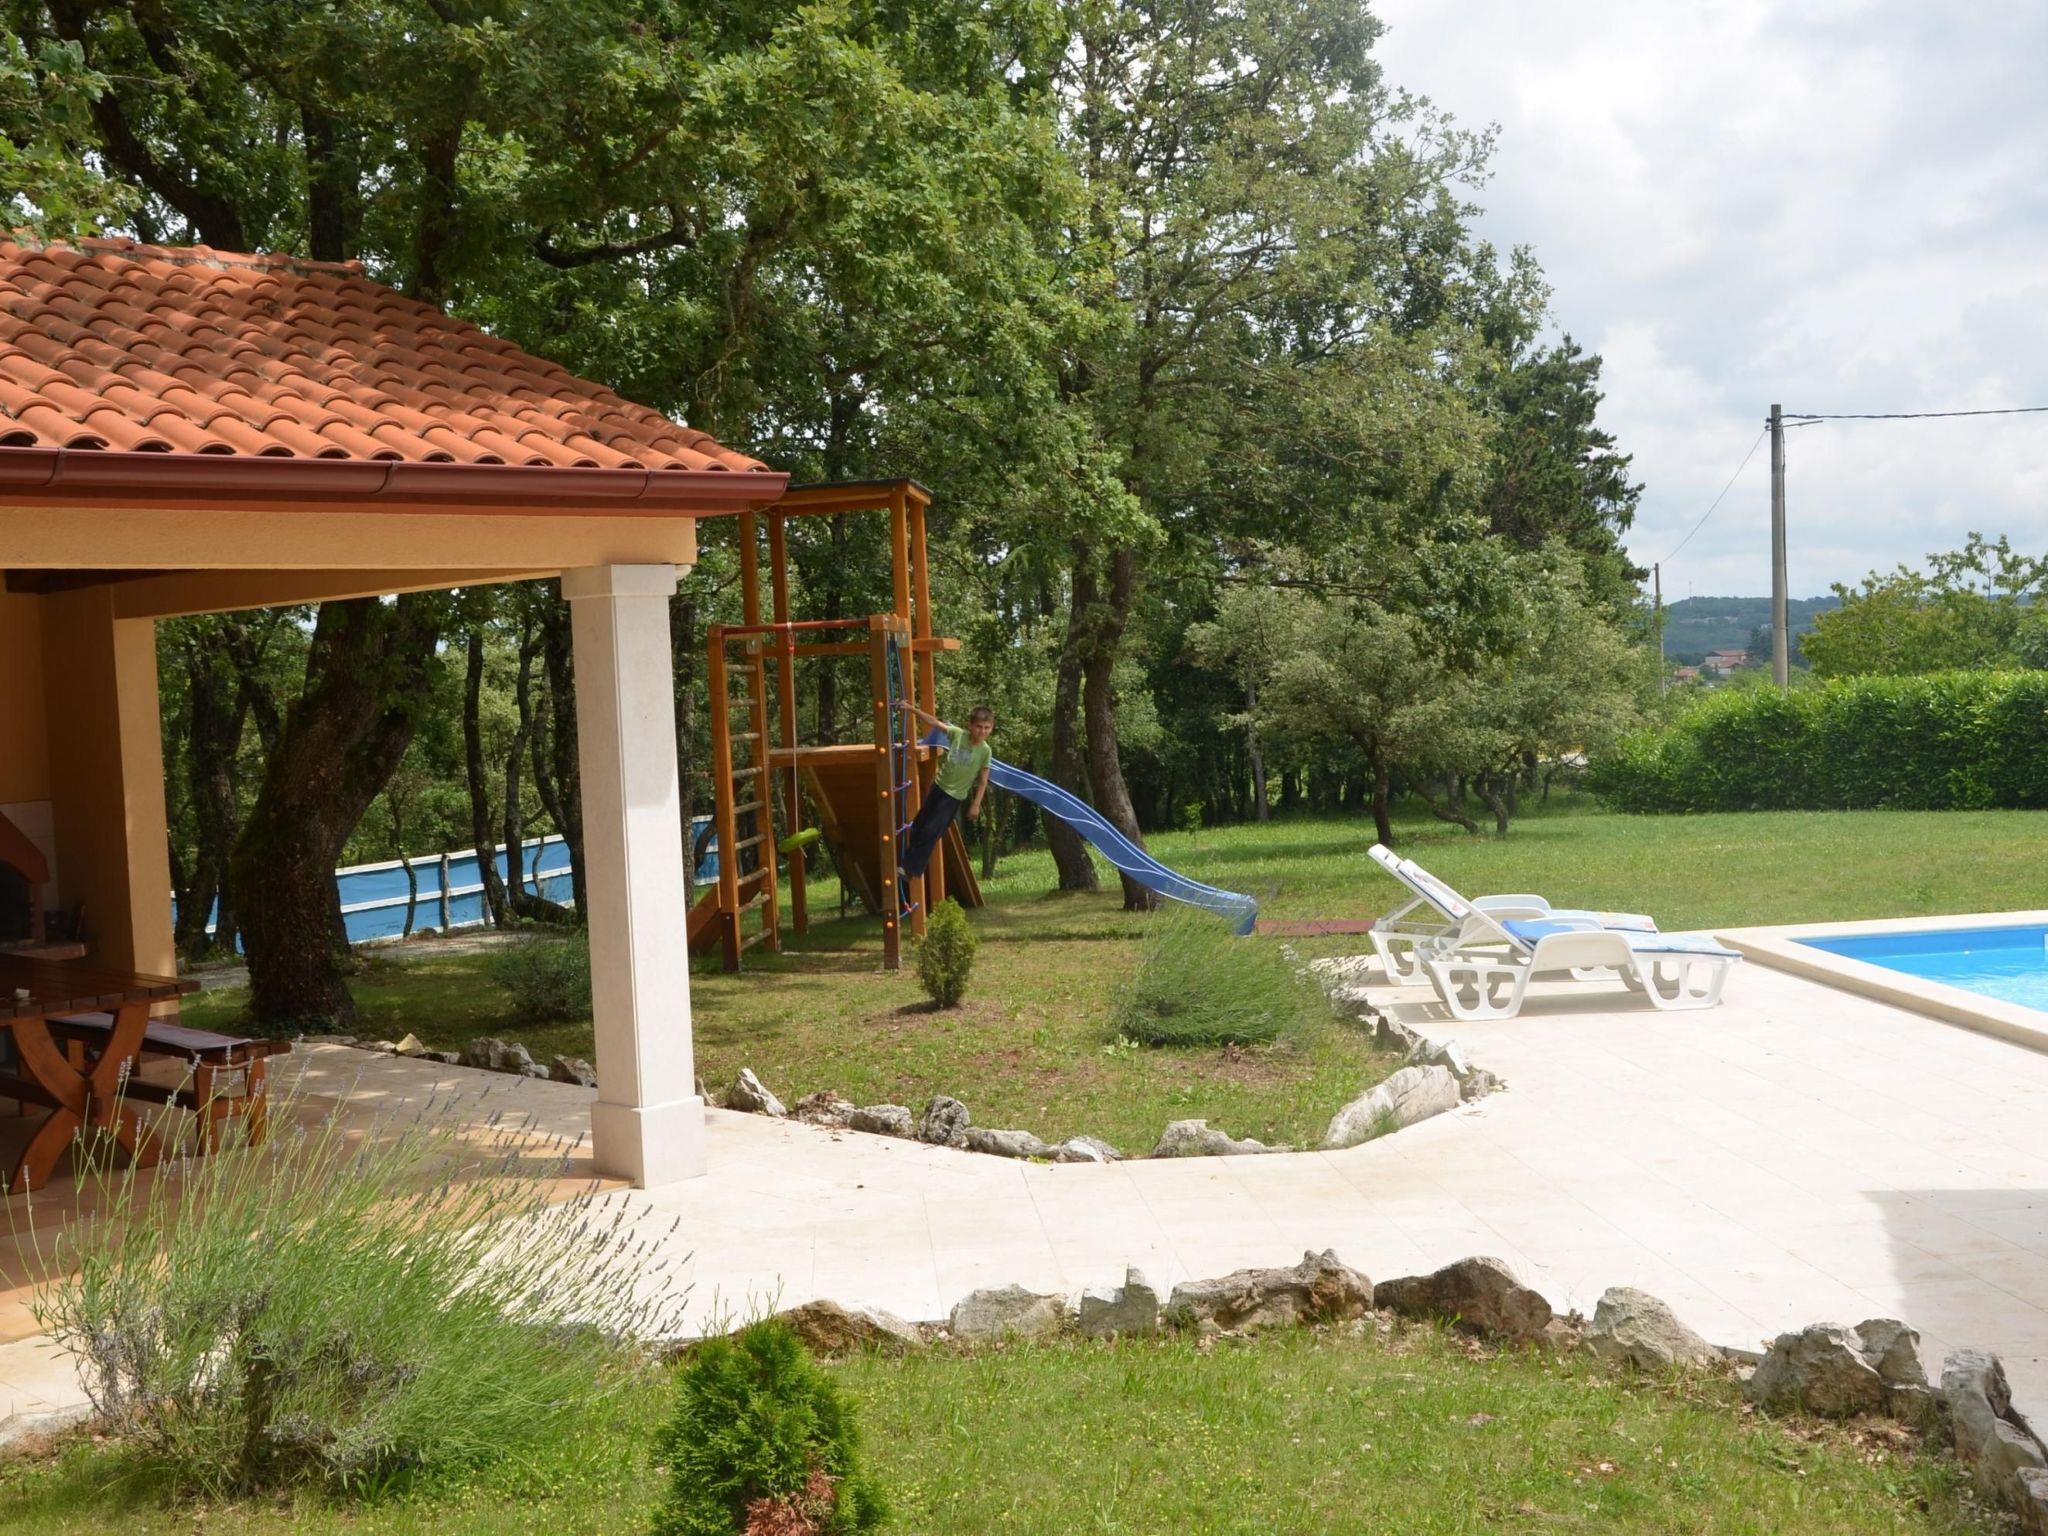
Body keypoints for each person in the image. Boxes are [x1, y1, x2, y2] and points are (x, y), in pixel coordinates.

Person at [895, 700, 993, 904]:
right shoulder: (958, 734)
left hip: (954, 797)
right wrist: (911, 709)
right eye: (979, 727)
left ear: (991, 728)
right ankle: (908, 863)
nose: (982, 731)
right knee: (919, 825)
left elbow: (983, 780)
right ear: (970, 725)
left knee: (932, 831)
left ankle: (910, 869)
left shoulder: (985, 751)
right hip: (938, 788)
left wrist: (976, 804)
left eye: (987, 728)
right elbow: (933, 722)